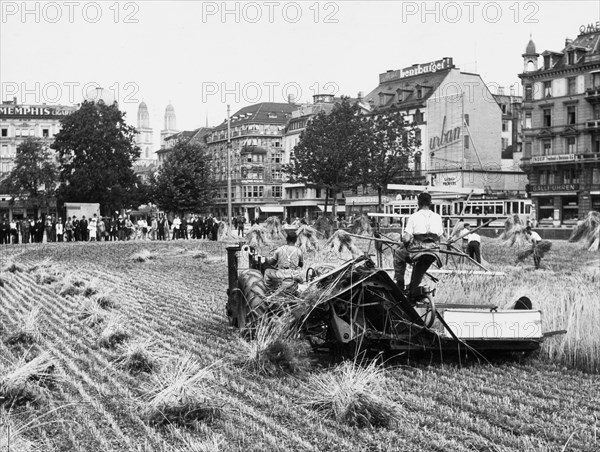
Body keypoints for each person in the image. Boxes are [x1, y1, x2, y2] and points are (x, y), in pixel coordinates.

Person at [393, 192, 444, 298]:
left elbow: (406, 238)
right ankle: (412, 290)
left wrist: (404, 244)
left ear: (418, 203)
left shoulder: (414, 216)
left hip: (417, 250)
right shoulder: (438, 217)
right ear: (430, 203)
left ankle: (400, 284)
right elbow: (440, 237)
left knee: (398, 253)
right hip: (433, 252)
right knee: (420, 268)